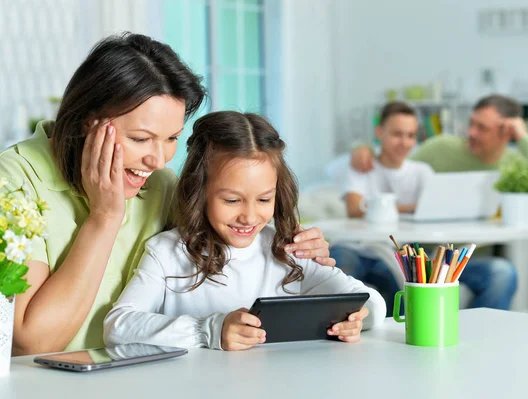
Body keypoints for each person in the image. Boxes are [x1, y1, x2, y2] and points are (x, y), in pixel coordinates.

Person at [1, 33, 334, 356]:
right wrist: (105, 216)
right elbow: (31, 343)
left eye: (171, 138)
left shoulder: (160, 184)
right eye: (141, 139)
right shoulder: (14, 182)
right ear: (90, 122)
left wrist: (298, 250)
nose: (159, 160)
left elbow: (237, 251)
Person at [103, 111, 386, 350]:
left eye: (264, 199)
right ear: (199, 191)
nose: (249, 216)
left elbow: (372, 302)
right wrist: (208, 330)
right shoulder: (167, 252)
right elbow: (118, 326)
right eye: (231, 200)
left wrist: (357, 319)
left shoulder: (288, 250)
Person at [348, 94, 528, 310]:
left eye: (482, 128)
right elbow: (395, 164)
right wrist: (364, 149)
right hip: (424, 255)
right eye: (471, 123)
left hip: (466, 259)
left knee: (502, 274)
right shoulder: (441, 149)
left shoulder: (515, 165)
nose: (471, 132)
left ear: (506, 132)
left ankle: (482, 340)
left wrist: (524, 138)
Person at [331, 102, 433, 314]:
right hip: (355, 247)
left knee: (405, 280)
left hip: (395, 252)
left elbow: (433, 210)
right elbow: (353, 208)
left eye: (411, 135)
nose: (404, 142)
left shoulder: (422, 172)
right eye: (397, 134)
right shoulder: (362, 165)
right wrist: (412, 207)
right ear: (379, 133)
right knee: (338, 269)